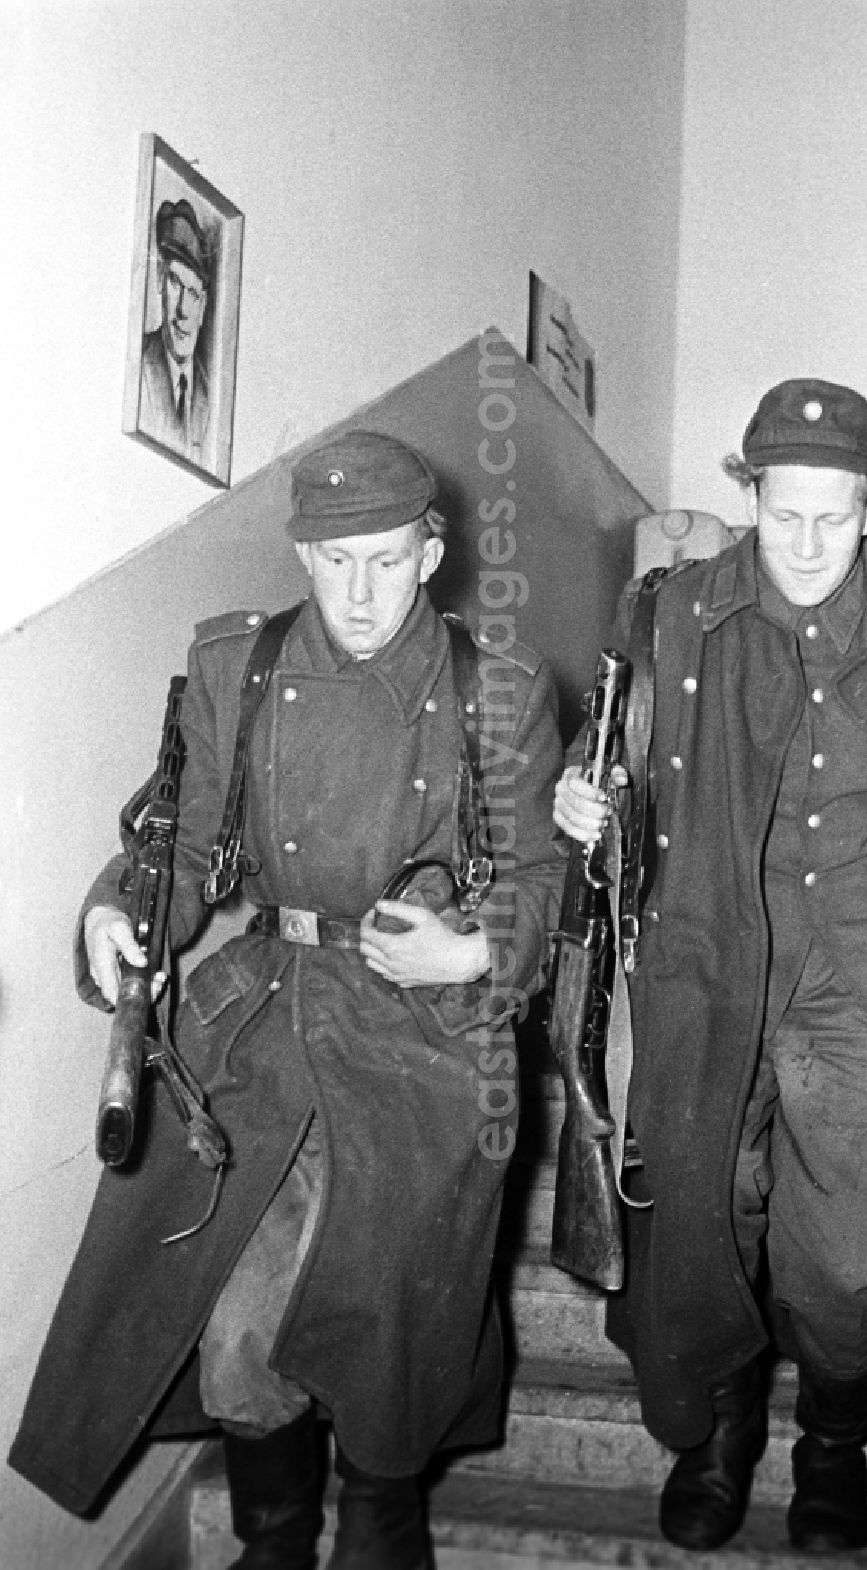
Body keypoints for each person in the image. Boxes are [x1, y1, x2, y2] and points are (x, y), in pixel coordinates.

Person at [10, 430, 565, 1569]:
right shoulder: (236, 668)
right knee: (234, 1330)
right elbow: (171, 841)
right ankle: (272, 1543)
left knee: (391, 1338)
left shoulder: (497, 691)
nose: (359, 590)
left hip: (427, 1046)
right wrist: (115, 910)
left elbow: (545, 884)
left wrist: (474, 956)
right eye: (333, 560)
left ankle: (382, 1532)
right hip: (263, 1024)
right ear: (302, 554)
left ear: (430, 550)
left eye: (383, 558)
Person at [553, 379, 867, 1555]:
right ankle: (718, 1435)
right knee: (703, 1224)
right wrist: (579, 799)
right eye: (780, 512)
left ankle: (829, 1443)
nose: (805, 545)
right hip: (706, 976)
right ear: (747, 494)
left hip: (866, 987)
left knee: (854, 1260)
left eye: (834, 516)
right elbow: (606, 757)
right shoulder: (670, 612)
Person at [140, 197, 212, 461]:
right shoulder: (140, 363)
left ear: (203, 307)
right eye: (175, 283)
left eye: (193, 293)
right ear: (160, 279)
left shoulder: (208, 391)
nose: (183, 310)